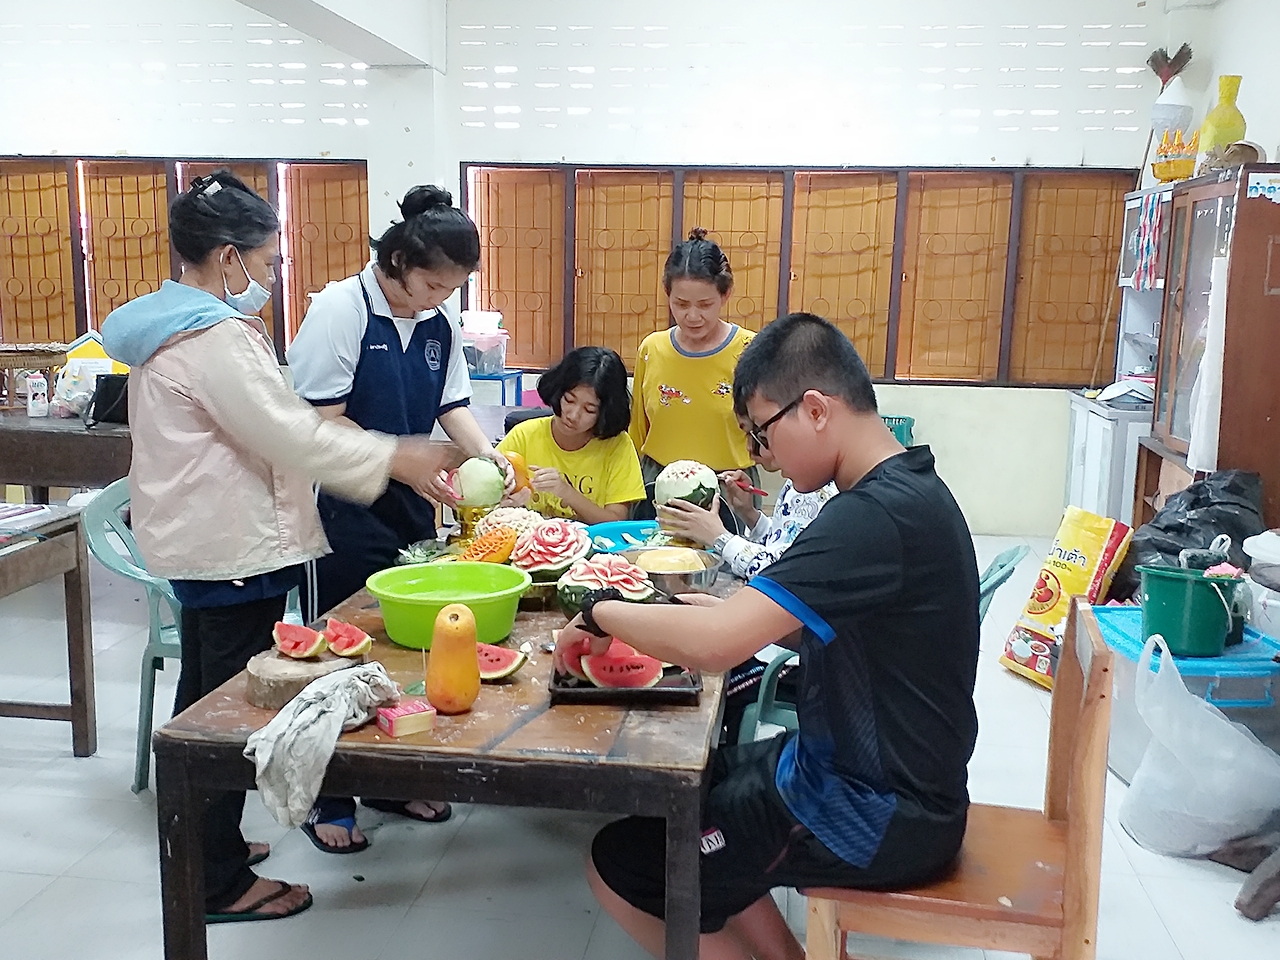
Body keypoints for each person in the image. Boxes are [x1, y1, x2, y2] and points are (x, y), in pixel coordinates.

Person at [554, 313, 980, 960]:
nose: (764, 454)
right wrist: (714, 617)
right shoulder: (904, 490)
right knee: (686, 798)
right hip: (865, 773)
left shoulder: (871, 517)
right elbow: (803, 632)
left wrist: (597, 611)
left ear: (815, 409)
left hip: (875, 810)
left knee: (623, 865)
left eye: (762, 430)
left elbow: (719, 644)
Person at [101, 170, 456, 924]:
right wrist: (397, 455)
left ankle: (206, 845)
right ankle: (215, 882)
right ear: (228, 257)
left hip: (206, 540)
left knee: (202, 700)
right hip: (232, 545)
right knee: (224, 712)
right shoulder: (212, 337)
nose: (269, 277)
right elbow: (290, 432)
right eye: (265, 262)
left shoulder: (171, 327)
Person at [287, 184, 512, 852]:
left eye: (454, 287)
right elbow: (321, 422)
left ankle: (388, 778)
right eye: (433, 283)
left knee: (404, 646)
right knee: (340, 649)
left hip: (410, 504)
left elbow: (452, 406)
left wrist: (489, 457)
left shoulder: (439, 324)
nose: (441, 298)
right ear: (397, 262)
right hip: (341, 507)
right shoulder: (341, 309)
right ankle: (327, 796)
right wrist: (400, 460)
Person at [657, 426, 839, 744]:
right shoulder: (801, 483)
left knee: (701, 688)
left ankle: (713, 758)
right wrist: (750, 514)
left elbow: (780, 574)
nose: (751, 450)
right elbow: (784, 546)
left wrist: (719, 536)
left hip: (788, 663)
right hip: (776, 641)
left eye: (758, 435)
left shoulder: (815, 491)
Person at [629, 228, 757, 533]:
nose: (693, 316)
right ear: (667, 295)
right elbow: (637, 432)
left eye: (705, 304)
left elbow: (767, 432)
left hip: (727, 489)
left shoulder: (749, 350)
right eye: (681, 304)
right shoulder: (652, 349)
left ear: (725, 294)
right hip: (659, 486)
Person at [497, 346, 645, 524]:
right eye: (569, 400)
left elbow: (616, 522)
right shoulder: (524, 436)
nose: (573, 415)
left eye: (589, 410)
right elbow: (484, 499)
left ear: (605, 412)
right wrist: (505, 505)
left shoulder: (617, 446)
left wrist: (566, 493)